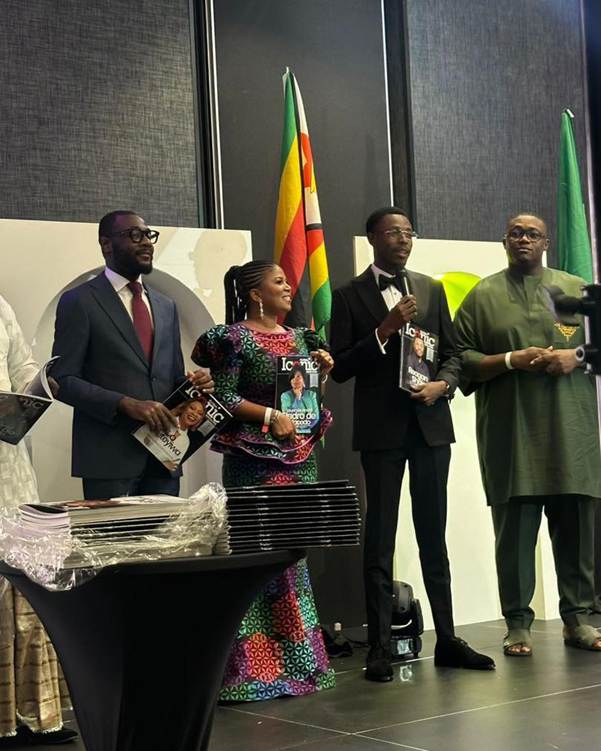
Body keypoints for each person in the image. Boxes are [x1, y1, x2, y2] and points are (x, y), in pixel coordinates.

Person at [329, 206, 494, 682]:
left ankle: (448, 639)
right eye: (393, 233)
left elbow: (453, 353)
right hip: (381, 430)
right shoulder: (349, 295)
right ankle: (380, 646)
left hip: (430, 426)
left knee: (433, 534)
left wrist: (444, 384)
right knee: (380, 537)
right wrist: (383, 329)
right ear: (372, 238)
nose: (403, 240)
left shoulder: (431, 288)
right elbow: (340, 367)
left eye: (408, 232)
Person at [454, 212, 601, 656]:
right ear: (505, 242)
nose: (524, 239)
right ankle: (517, 623)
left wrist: (576, 356)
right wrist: (510, 360)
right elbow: (459, 359)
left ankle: (579, 619)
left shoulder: (576, 288)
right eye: (515, 233)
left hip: (571, 432)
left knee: (576, 530)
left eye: (533, 234)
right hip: (511, 434)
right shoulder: (483, 296)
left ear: (546, 243)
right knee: (514, 536)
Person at [192, 259, 335, 701]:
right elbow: (223, 395)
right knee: (256, 555)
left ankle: (301, 664)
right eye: (278, 282)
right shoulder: (233, 339)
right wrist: (270, 416)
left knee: (291, 557)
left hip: (299, 459)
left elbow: (304, 399)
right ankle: (253, 671)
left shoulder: (301, 338)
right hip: (252, 460)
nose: (289, 287)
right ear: (256, 294)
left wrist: (321, 372)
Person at [51, 211, 213, 500]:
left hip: (164, 458)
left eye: (149, 236)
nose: (147, 242)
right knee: (117, 532)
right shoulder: (80, 301)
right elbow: (61, 380)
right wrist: (125, 404)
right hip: (109, 459)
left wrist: (194, 387)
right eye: (135, 235)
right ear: (106, 244)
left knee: (166, 532)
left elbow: (172, 377)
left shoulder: (166, 306)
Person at [0, 294, 76, 746]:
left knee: (24, 578)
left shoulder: (0, 305)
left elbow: (20, 369)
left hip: (9, 469)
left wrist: (42, 384)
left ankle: (30, 713)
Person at [279, 365, 320, 432]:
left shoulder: (311, 395)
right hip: (290, 431)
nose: (295, 379)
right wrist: (298, 398)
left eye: (298, 376)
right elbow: (287, 416)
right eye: (292, 377)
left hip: (307, 431)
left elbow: (315, 417)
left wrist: (301, 428)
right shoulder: (285, 396)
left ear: (304, 380)